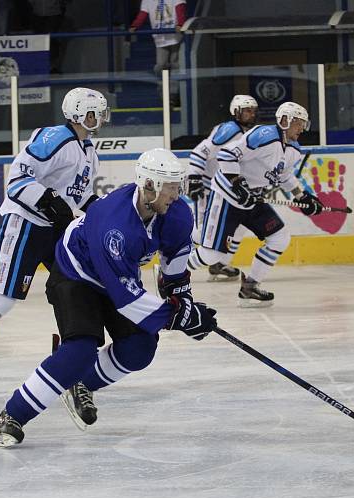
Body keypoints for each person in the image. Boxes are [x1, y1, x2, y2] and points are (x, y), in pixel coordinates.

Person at [0, 148, 218, 447]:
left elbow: (174, 265)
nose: (177, 194)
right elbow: (127, 299)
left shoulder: (176, 213)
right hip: (74, 274)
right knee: (79, 350)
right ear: (149, 186)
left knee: (140, 347)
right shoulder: (115, 225)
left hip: (116, 278)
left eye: (178, 185)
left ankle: (82, 383)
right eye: (171, 187)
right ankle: (10, 416)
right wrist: (177, 317)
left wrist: (183, 303)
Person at [0, 87, 108, 395]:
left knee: (78, 291)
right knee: (1, 298)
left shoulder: (88, 151)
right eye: (95, 112)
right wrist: (48, 197)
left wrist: (106, 213)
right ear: (78, 113)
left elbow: (82, 197)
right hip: (26, 224)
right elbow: (17, 178)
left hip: (56, 231)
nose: (101, 118)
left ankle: (67, 359)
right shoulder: (55, 138)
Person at [186, 101, 324, 308]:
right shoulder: (263, 135)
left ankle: (250, 286)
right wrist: (237, 183)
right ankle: (171, 272)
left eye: (304, 123)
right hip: (228, 197)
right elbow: (226, 154)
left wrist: (302, 196)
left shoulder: (294, 148)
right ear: (285, 121)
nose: (302, 128)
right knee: (212, 254)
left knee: (279, 237)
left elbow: (285, 175)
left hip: (252, 200)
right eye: (299, 123)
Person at [187, 94, 258, 282]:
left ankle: (220, 262)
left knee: (238, 226)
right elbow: (200, 151)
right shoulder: (229, 129)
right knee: (201, 230)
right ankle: (173, 260)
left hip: (225, 190)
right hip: (207, 187)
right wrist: (194, 178)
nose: (251, 114)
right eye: (247, 110)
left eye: (253, 110)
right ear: (236, 112)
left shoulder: (247, 134)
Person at [129, 0, 187, 107]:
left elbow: (180, 8)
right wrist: (135, 25)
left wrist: (180, 23)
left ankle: (174, 94)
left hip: (175, 36)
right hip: (160, 38)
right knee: (161, 65)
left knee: (175, 64)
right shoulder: (147, 1)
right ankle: (163, 92)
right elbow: (143, 13)